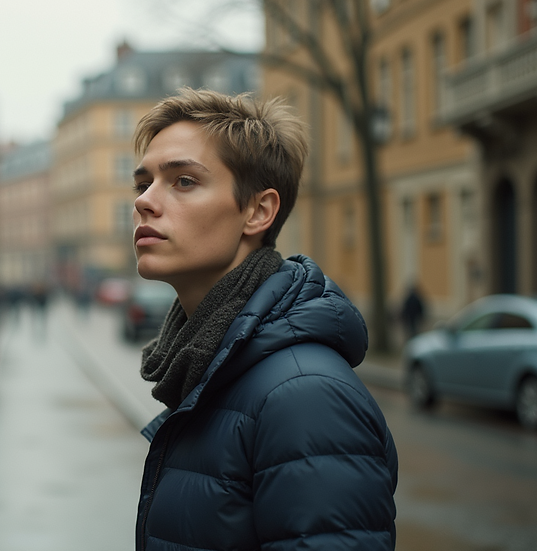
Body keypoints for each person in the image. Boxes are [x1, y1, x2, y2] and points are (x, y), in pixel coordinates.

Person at [130, 89, 398, 551]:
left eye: (184, 181)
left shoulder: (305, 395)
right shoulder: (204, 369)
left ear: (258, 211)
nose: (144, 202)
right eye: (143, 184)